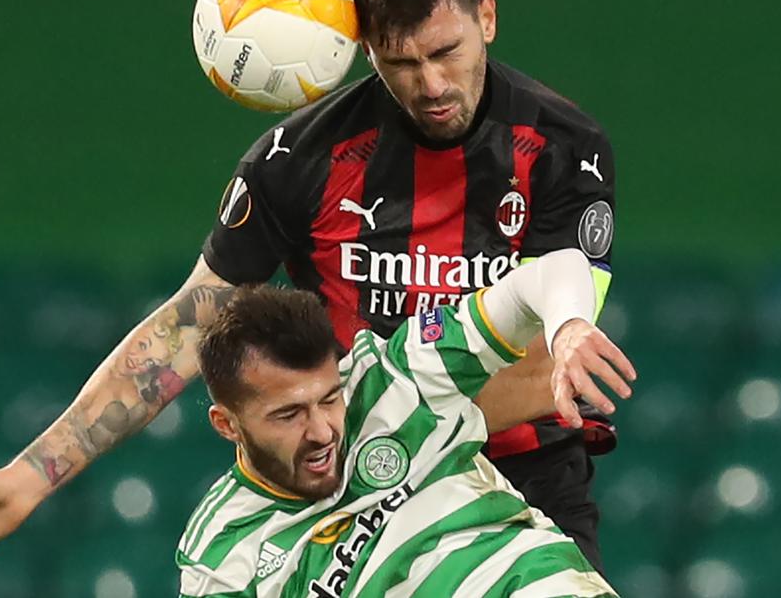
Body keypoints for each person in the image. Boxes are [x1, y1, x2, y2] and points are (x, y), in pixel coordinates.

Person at [0, 0, 617, 574]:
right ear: (363, 51)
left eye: (445, 52)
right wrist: (28, 477)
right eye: (400, 62)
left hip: (518, 483)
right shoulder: (297, 162)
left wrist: (400, 424)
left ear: (485, 18)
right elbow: (183, 332)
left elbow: (551, 359)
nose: (429, 83)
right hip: (346, 504)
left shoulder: (562, 147)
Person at [180, 249, 632, 597]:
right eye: (288, 414)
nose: (321, 432)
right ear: (227, 424)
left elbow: (556, 268)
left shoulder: (395, 379)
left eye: (329, 399)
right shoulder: (221, 560)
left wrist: (568, 325)